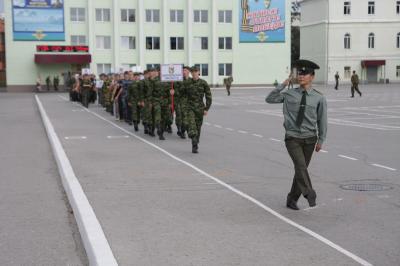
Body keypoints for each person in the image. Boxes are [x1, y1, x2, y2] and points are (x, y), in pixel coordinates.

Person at [265, 59, 328, 210]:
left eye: (305, 74)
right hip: (293, 137)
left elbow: (322, 120)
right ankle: (309, 193)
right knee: (300, 166)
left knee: (301, 170)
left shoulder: (319, 98)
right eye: (299, 73)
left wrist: (321, 139)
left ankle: (292, 199)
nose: (301, 76)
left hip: (310, 139)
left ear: (312, 77)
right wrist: (284, 84)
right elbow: (269, 99)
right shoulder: (289, 94)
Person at [185, 66, 212, 153]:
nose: (194, 73)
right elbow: (181, 93)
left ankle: (195, 144)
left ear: (199, 72)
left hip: (200, 108)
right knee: (192, 125)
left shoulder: (203, 83)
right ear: (191, 73)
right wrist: (173, 91)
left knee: (198, 127)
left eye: (195, 71)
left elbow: (208, 97)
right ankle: (193, 140)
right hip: (190, 107)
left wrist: (206, 108)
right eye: (192, 72)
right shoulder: (187, 83)